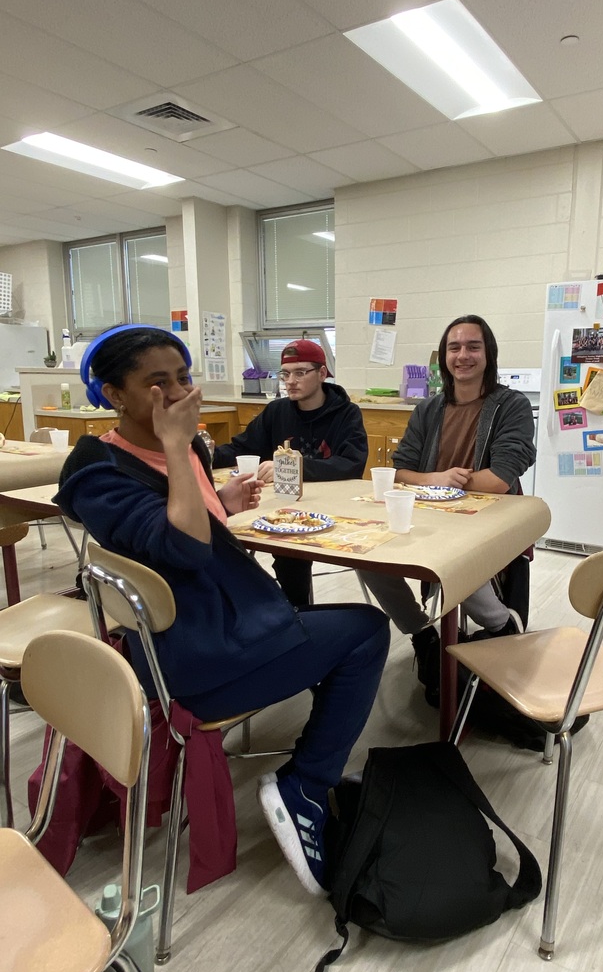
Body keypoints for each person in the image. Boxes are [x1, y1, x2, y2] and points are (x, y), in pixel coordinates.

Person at [54, 325, 389, 897]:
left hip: (213, 623)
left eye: (183, 378)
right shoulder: (97, 471)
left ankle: (311, 755)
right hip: (189, 659)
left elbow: (181, 529)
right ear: (114, 394)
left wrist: (221, 504)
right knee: (367, 630)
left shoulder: (180, 450)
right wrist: (178, 447)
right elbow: (184, 548)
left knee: (336, 624)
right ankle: (306, 784)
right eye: (157, 383)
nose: (178, 393)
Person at [360, 315, 536, 687]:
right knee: (369, 557)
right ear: (444, 357)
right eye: (454, 348)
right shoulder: (429, 409)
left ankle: (500, 624)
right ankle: (422, 634)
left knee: (452, 560)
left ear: (488, 353)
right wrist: (436, 479)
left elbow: (500, 479)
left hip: (489, 519)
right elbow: (401, 470)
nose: (462, 355)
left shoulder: (512, 406)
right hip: (430, 515)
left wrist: (445, 482)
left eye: (473, 346)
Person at [213, 339, 367, 607]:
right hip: (287, 507)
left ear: (322, 373)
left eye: (300, 372)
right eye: (284, 374)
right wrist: (202, 452)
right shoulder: (277, 410)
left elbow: (351, 463)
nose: (290, 382)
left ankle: (297, 613)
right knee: (275, 546)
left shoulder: (346, 413)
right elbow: (242, 447)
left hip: (333, 505)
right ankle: (293, 611)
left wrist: (293, 466)